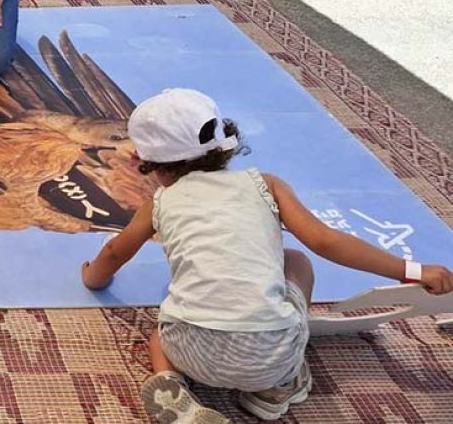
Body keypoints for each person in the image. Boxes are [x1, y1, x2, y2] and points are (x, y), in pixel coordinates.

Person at [81, 88, 453, 422]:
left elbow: (115, 252)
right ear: (225, 142)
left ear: (146, 164)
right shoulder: (266, 185)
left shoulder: (160, 201)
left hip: (192, 351)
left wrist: (93, 277)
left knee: (161, 334)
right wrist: (413, 270)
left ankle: (169, 384)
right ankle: (277, 387)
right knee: (297, 262)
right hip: (269, 357)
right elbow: (325, 241)